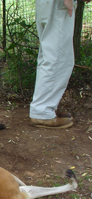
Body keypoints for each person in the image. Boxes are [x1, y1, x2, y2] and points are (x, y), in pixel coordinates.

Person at [30, 0, 90, 128]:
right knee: (58, 57)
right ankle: (43, 112)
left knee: (50, 54)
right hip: (57, 4)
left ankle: (43, 109)